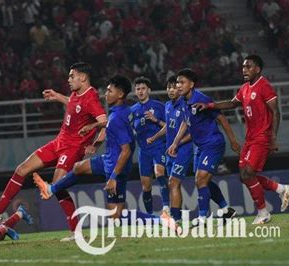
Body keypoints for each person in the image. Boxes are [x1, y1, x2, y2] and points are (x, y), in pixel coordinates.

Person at [0, 62, 107, 241]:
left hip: (73, 148)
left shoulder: (91, 97)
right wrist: (58, 96)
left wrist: (95, 144)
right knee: (22, 169)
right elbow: (76, 105)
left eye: (71, 76)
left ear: (82, 77)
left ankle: (75, 232)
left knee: (56, 186)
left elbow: (105, 122)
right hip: (58, 142)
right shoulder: (77, 94)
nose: (68, 79)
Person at [33, 75, 174, 226]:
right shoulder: (127, 110)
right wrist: (94, 127)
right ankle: (51, 189)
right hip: (109, 159)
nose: (105, 94)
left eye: (109, 91)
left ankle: (161, 220)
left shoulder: (117, 118)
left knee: (116, 217)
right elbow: (112, 124)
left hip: (115, 166)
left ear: (120, 94)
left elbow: (125, 149)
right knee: (78, 167)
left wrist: (113, 177)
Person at [193, 55, 289, 224]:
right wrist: (209, 105)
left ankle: (263, 212)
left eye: (248, 67)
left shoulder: (264, 86)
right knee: (244, 175)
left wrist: (273, 138)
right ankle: (281, 189)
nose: (244, 70)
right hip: (250, 138)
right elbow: (232, 104)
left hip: (262, 137)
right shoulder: (245, 88)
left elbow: (276, 112)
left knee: (247, 173)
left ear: (257, 69)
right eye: (243, 67)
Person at [168, 68, 238, 224]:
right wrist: (175, 142)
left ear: (191, 84)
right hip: (199, 146)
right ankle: (226, 210)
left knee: (200, 179)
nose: (178, 85)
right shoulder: (183, 101)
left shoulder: (202, 99)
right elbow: (186, 123)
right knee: (202, 181)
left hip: (213, 143)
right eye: (177, 82)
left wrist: (233, 141)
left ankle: (202, 217)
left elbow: (222, 119)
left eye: (182, 82)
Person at [147, 76, 193, 222]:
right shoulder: (167, 105)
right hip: (170, 149)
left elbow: (191, 130)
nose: (171, 90)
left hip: (183, 149)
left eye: (174, 87)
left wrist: (177, 144)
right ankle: (176, 215)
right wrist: (155, 137)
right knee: (173, 183)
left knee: (173, 181)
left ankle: (176, 218)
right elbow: (168, 126)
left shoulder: (185, 104)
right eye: (168, 87)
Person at [131, 77, 169, 214]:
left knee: (159, 173)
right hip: (143, 151)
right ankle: (150, 217)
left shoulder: (159, 106)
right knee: (146, 187)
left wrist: (156, 120)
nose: (140, 91)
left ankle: (166, 209)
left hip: (159, 146)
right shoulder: (132, 110)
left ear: (149, 90)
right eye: (138, 89)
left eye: (143, 88)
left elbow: (170, 128)